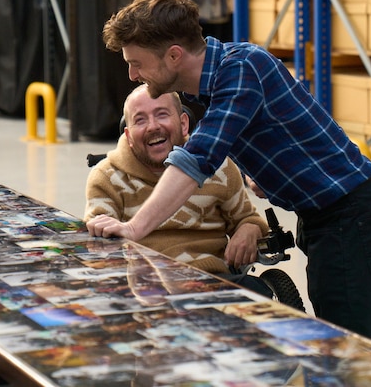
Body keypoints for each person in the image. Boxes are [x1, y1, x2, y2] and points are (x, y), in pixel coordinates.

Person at [86, 0, 371, 345]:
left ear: (173, 56)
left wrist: (135, 227)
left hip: (347, 213)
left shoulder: (241, 69)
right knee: (351, 332)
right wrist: (268, 175)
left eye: (136, 62)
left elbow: (197, 159)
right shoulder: (211, 84)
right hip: (324, 213)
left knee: (353, 345)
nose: (131, 74)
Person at [85, 84, 279, 298]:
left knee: (260, 298)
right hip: (145, 287)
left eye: (162, 115)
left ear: (183, 123)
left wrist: (248, 230)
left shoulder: (217, 166)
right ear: (129, 137)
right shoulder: (107, 177)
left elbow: (247, 218)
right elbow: (101, 242)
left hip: (213, 279)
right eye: (140, 119)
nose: (152, 126)